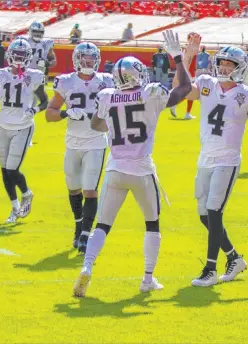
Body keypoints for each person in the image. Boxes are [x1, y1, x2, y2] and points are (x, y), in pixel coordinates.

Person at [73, 30, 192, 297]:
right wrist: (178, 58)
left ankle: (88, 267)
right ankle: (147, 278)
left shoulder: (107, 96)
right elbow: (184, 89)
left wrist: (116, 125)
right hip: (141, 169)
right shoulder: (150, 92)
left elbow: (95, 125)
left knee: (102, 226)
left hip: (115, 169)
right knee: (152, 224)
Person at [173, 39, 248, 287]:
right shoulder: (205, 84)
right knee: (204, 215)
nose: (222, 68)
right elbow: (178, 92)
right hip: (205, 158)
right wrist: (186, 58)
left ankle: (210, 269)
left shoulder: (247, 94)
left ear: (240, 67)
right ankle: (234, 257)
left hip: (227, 160)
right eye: (220, 63)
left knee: (214, 211)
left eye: (228, 64)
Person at [45, 42, 114, 253]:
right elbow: (49, 114)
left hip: (95, 141)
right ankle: (78, 227)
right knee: (73, 188)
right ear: (77, 60)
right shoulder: (66, 82)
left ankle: (85, 235)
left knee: (90, 190)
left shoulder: (107, 81)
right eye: (85, 59)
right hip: (72, 142)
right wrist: (66, 113)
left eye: (92, 59)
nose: (89, 62)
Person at [0, 38, 48, 223]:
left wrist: (34, 110)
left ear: (28, 57)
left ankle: (27, 193)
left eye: (22, 55)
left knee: (12, 169)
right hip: (3, 126)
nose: (19, 58)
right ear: (10, 55)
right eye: (16, 54)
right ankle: (15, 208)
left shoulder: (34, 76)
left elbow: (44, 101)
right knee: (5, 171)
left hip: (23, 127)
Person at [170, 32, 199, 120]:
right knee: (190, 93)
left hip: (191, 72)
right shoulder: (186, 48)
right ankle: (176, 105)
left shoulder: (193, 48)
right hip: (188, 72)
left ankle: (187, 112)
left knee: (191, 93)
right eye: (192, 37)